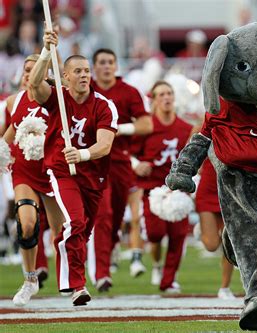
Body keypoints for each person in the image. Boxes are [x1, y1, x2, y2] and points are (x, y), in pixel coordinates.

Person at [29, 28, 118, 305]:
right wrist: (46, 50)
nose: (83, 75)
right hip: (60, 170)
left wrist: (81, 155)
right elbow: (34, 85)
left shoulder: (104, 105)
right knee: (74, 222)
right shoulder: (57, 97)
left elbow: (105, 145)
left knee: (81, 232)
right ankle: (77, 285)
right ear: (65, 77)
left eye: (86, 70)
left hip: (92, 175)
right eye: (77, 71)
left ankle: (70, 276)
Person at [87, 48, 152, 292]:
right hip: (93, 161)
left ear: (116, 65)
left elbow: (146, 124)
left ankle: (112, 245)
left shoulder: (128, 91)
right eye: (101, 62)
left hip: (121, 161)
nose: (106, 66)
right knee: (102, 214)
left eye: (110, 62)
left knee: (115, 218)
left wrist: (117, 129)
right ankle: (102, 273)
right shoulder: (87, 89)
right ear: (94, 66)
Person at [3, 54, 65, 306]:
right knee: (26, 225)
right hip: (24, 172)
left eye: (35, 69)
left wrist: (49, 49)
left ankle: (73, 280)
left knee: (61, 233)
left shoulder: (58, 99)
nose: (30, 73)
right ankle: (30, 280)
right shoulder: (12, 101)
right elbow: (10, 132)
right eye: (26, 69)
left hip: (52, 172)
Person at [134, 80, 193, 292]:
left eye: (169, 93)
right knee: (155, 234)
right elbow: (127, 151)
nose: (167, 97)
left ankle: (168, 280)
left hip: (177, 190)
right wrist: (136, 164)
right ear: (154, 100)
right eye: (162, 94)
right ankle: (157, 264)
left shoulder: (185, 128)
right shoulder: (146, 126)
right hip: (152, 190)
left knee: (178, 236)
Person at [195, 158, 236, 299]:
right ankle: (203, 230)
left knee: (229, 241)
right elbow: (189, 151)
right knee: (211, 246)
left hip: (233, 188)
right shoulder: (203, 133)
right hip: (208, 188)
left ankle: (225, 287)